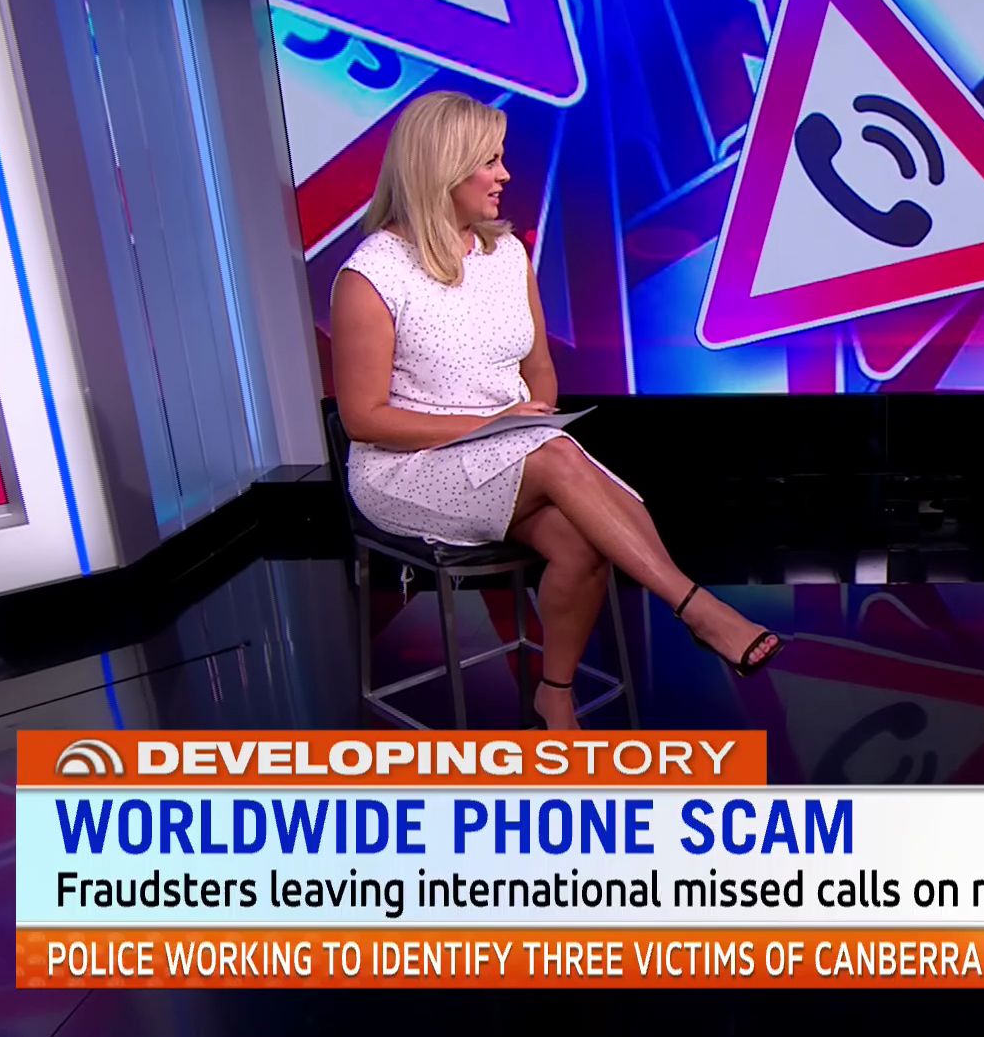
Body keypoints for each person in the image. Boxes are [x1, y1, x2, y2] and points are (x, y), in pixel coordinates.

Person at [331, 91, 783, 730]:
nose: (505, 174)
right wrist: (493, 428)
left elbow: (538, 364)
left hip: (511, 450)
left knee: (580, 541)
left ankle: (555, 694)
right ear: (441, 168)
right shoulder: (373, 274)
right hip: (410, 466)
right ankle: (698, 608)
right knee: (555, 456)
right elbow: (364, 419)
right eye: (489, 161)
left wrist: (530, 412)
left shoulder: (506, 255)